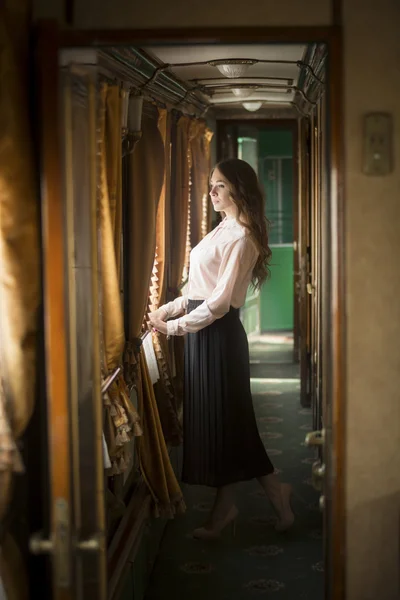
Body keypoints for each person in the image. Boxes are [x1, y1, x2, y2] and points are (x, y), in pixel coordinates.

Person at [148, 158, 294, 540]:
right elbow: (199, 289)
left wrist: (175, 327)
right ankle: (260, 496)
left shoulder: (243, 236)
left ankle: (236, 505)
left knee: (231, 420)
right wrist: (168, 308)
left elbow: (220, 302)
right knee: (231, 422)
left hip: (219, 336)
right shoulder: (221, 229)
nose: (211, 192)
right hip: (204, 333)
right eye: (211, 184)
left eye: (220, 186)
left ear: (238, 190)